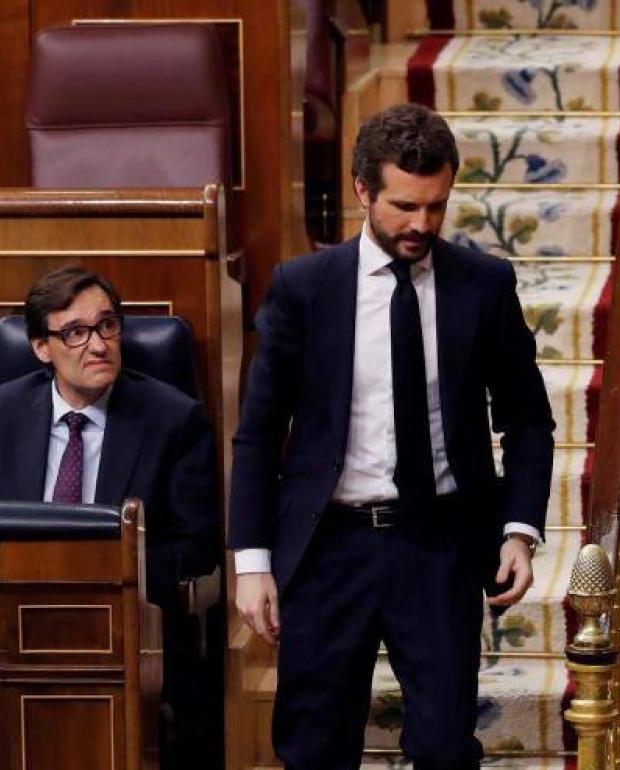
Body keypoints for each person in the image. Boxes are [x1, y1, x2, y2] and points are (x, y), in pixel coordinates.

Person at [229, 102, 555, 770]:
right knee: (314, 748)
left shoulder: (484, 285)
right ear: (361, 191)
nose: (422, 224)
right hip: (328, 548)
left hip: (438, 543)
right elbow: (259, 434)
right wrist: (252, 562)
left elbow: (528, 417)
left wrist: (519, 529)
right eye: (405, 206)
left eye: (436, 206)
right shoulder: (304, 288)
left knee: (442, 749)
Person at [0, 266, 222, 769]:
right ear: (41, 348)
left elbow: (197, 545)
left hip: (125, 628)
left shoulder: (172, 419)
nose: (98, 345)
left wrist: (101, 579)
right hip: (15, 627)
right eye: (75, 332)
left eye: (108, 326)